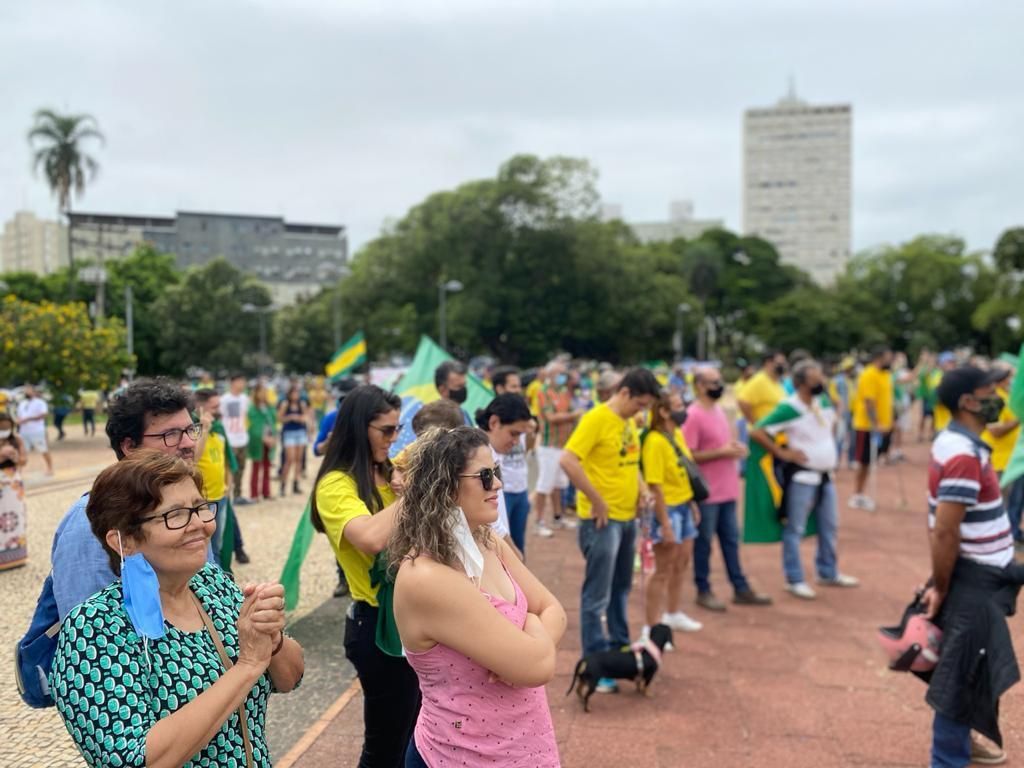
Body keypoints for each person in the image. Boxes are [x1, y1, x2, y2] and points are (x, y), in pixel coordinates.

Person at [50, 451, 304, 767]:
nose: (199, 525)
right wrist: (247, 664)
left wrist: (271, 634)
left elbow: (290, 679)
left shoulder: (211, 584)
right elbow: (137, 760)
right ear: (124, 541)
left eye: (200, 508)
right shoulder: (95, 627)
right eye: (175, 515)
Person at [392, 426, 564, 767]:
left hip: (522, 745)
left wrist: (527, 638)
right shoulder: (427, 578)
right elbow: (538, 665)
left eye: (496, 472)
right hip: (462, 756)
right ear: (445, 486)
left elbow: (554, 609)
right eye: (485, 475)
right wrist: (530, 626)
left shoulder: (489, 541)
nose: (497, 484)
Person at [312, 385, 419, 767]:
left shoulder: (392, 474)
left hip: (413, 620)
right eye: (386, 430)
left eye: (397, 429)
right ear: (359, 429)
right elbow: (371, 538)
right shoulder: (335, 485)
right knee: (387, 747)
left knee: (415, 739)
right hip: (377, 626)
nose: (394, 439)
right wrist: (415, 492)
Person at [919, 366, 1019, 768]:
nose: (998, 395)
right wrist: (941, 585)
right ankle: (947, 758)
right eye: (990, 390)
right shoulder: (962, 454)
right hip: (974, 576)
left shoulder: (963, 444)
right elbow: (945, 530)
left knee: (975, 664)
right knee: (960, 675)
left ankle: (963, 741)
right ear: (968, 402)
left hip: (981, 572)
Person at [49, 378, 203, 619]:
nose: (188, 443)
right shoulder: (91, 522)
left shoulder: (191, 503)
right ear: (130, 446)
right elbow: (88, 627)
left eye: (190, 430)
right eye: (171, 435)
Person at [559, 368, 660, 693]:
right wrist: (596, 501)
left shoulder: (628, 422)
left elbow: (630, 465)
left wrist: (642, 489)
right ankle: (594, 662)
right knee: (597, 596)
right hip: (601, 521)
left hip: (627, 517)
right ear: (625, 392)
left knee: (621, 589)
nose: (641, 412)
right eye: (640, 404)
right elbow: (568, 460)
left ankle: (620, 650)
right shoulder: (596, 419)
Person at [748, 360, 859, 599]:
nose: (821, 382)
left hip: (825, 476)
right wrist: (781, 452)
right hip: (802, 476)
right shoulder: (789, 408)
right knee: (795, 527)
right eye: (815, 379)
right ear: (801, 384)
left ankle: (827, 571)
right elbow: (757, 430)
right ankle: (794, 578)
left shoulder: (822, 403)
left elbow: (831, 424)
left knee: (829, 525)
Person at [683, 366, 772, 612]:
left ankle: (740, 587)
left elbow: (720, 444)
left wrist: (732, 448)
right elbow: (687, 454)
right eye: (714, 381)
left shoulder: (719, 411)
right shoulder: (693, 415)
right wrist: (721, 452)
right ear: (700, 385)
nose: (719, 385)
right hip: (708, 491)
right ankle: (703, 589)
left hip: (727, 488)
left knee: (731, 541)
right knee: (704, 543)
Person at [640, 389, 703, 634]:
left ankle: (674, 612)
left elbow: (686, 471)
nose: (683, 410)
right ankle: (651, 625)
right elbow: (655, 485)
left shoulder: (675, 434)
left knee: (682, 563)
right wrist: (664, 522)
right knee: (662, 569)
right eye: (677, 405)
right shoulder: (655, 441)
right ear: (663, 411)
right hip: (668, 510)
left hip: (684, 505)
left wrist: (692, 503)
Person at [476, 394, 533, 557]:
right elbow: (488, 518)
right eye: (513, 434)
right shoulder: (477, 454)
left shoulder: (491, 452)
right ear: (494, 422)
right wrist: (512, 551)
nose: (516, 442)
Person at [535, 361, 582, 536]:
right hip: (549, 445)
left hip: (563, 445)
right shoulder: (543, 391)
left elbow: (571, 411)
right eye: (560, 373)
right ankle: (538, 521)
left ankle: (557, 517)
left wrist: (573, 414)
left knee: (559, 484)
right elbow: (550, 417)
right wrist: (572, 415)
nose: (563, 376)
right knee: (544, 484)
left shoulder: (563, 392)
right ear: (550, 374)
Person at [849, 347, 895, 511]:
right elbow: (869, 402)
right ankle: (856, 495)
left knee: (869, 462)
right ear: (879, 358)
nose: (891, 361)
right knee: (863, 462)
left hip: (883, 426)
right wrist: (876, 424)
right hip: (866, 426)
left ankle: (860, 494)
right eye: (888, 358)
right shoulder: (869, 374)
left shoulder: (885, 375)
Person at [981, 366, 1022, 544]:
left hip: (1013, 459)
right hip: (1000, 460)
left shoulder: (1010, 398)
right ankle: (1003, 537)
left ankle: (1013, 532)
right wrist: (1019, 420)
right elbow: (994, 430)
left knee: (1016, 500)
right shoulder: (995, 399)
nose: (1012, 381)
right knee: (1004, 501)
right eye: (1009, 378)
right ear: (1000, 380)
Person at [194, 389, 232, 559]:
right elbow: (195, 458)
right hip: (204, 498)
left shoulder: (220, 429)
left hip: (220, 496)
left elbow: (226, 459)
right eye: (214, 406)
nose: (219, 410)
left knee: (217, 546)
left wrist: (228, 484)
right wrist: (205, 428)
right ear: (200, 408)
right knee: (205, 548)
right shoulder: (194, 430)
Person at [0, 412, 28, 570]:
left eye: (6, 427)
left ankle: (16, 556)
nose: (4, 430)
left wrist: (16, 457)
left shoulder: (16, 439)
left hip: (14, 484)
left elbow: (24, 460)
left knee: (15, 517)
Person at [220, 374, 252, 503]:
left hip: (242, 438)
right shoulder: (224, 399)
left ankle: (238, 495)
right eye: (240, 381)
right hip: (230, 438)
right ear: (233, 382)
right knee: (229, 468)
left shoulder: (245, 398)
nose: (243, 384)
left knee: (241, 468)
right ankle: (226, 495)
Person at [737, 351, 788, 426]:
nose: (783, 366)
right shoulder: (759, 380)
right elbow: (742, 401)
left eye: (784, 363)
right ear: (768, 363)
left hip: (775, 432)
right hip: (762, 434)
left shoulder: (776, 381)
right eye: (780, 363)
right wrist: (757, 425)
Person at [246, 383, 277, 502]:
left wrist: (273, 438)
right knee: (256, 467)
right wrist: (263, 438)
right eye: (261, 391)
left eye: (265, 391)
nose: (263, 394)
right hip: (257, 441)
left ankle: (266, 492)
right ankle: (254, 494)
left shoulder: (269, 407)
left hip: (269, 440)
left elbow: (273, 423)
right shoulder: (252, 408)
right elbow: (253, 427)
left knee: (267, 467)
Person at [278, 385, 310, 497]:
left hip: (300, 432)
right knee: (289, 460)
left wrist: (301, 418)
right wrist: (290, 417)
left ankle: (295, 484)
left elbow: (306, 416)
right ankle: (283, 484)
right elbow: (280, 418)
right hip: (289, 433)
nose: (296, 395)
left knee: (299, 460)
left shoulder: (302, 404)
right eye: (294, 393)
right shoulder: (285, 404)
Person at [16, 384, 52, 475]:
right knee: (22, 451)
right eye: (25, 390)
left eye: (28, 390)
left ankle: (50, 468)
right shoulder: (22, 403)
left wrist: (29, 419)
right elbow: (20, 416)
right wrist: (18, 421)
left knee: (43, 449)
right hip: (23, 431)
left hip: (36, 431)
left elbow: (44, 414)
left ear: (34, 392)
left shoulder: (40, 402)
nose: (26, 392)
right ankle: (18, 471)